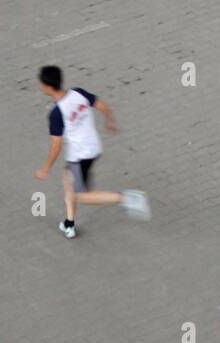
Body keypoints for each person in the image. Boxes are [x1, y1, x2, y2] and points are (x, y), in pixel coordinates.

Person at [35, 64, 149, 238]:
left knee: (80, 195)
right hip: (93, 147)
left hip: (79, 156)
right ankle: (69, 224)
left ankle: (126, 198)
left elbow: (56, 145)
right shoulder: (78, 93)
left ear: (48, 87)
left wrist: (45, 169)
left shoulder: (56, 113)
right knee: (68, 181)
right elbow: (102, 105)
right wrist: (110, 121)